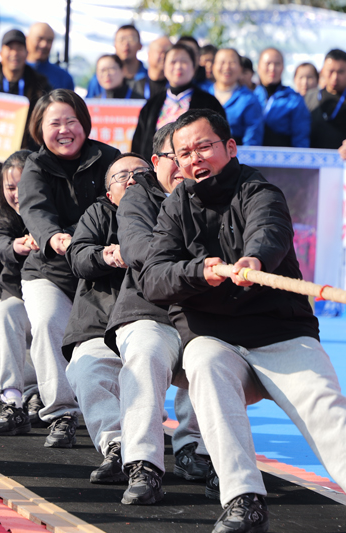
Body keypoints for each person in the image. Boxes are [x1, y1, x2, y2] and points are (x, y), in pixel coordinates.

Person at [140, 108, 346, 533]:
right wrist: (201, 271)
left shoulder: (261, 191)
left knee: (325, 402)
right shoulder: (174, 208)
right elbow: (154, 277)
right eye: (184, 153)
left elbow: (269, 234)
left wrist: (252, 260)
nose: (195, 159)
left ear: (229, 147)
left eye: (204, 147)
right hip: (213, 337)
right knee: (202, 362)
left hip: (281, 334)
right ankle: (244, 500)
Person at [108, 125, 212, 504]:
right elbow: (140, 252)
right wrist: (198, 269)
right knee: (147, 353)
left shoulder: (217, 194)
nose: (187, 163)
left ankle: (200, 452)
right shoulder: (137, 199)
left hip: (204, 310)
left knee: (217, 355)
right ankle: (143, 464)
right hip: (149, 310)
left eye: (193, 153)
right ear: (157, 161)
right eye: (177, 155)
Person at [18, 89, 120, 448]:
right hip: (51, 268)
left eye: (71, 121)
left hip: (99, 270)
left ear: (84, 123)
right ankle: (61, 411)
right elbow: (34, 211)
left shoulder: (110, 158)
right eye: (54, 123)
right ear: (39, 129)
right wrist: (55, 238)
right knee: (47, 323)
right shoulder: (34, 166)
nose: (64, 130)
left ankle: (128, 410)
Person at [62, 154, 145, 491]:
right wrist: (105, 255)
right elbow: (78, 255)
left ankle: (193, 448)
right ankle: (117, 446)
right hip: (102, 319)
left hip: (160, 319)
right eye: (121, 175)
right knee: (84, 369)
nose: (131, 179)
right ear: (109, 193)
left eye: (140, 173)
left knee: (201, 359)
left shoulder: (171, 212)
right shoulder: (98, 214)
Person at [0, 150, 44, 425]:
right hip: (19, 297)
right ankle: (12, 401)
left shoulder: (55, 210)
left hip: (63, 297)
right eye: (10, 187)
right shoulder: (2, 214)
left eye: (24, 185)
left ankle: (53, 400)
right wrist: (16, 246)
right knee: (3, 314)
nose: (16, 194)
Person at [132, 43, 225, 162]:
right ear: (164, 66)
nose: (178, 67)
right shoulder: (151, 105)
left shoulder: (209, 103)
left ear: (194, 66)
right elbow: (138, 145)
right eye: (173, 62)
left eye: (184, 62)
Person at [0, 29, 52, 149]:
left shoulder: (40, 85)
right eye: (10, 48)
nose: (15, 53)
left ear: (26, 53)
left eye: (19, 48)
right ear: (0, 53)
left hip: (27, 154)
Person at [253, 47, 311, 147]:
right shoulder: (249, 97)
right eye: (268, 64)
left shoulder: (294, 100)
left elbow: (301, 137)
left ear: (283, 67)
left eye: (277, 64)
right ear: (258, 67)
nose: (272, 68)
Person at [206, 48, 263, 146]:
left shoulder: (249, 100)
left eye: (232, 62)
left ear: (241, 68)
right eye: (222, 62)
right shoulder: (202, 94)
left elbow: (252, 139)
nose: (227, 67)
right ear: (213, 66)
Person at [304, 49, 346, 149]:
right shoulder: (309, 97)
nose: (335, 77)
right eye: (331, 71)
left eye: (340, 72)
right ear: (322, 72)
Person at [86, 25, 147, 98]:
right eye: (121, 40)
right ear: (114, 45)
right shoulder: (98, 79)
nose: (126, 44)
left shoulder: (149, 79)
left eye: (131, 40)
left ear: (140, 46)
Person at [26, 22, 74, 91]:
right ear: (27, 39)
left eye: (49, 41)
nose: (44, 45)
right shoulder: (15, 71)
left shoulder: (63, 78)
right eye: (40, 39)